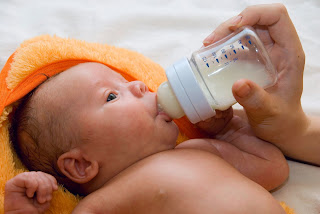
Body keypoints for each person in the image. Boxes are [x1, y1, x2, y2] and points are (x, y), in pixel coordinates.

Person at [4, 3, 302, 214]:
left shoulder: (200, 150)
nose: (139, 86)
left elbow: (273, 169)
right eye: (111, 96)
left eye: (125, 81)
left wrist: (229, 130)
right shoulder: (103, 203)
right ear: (81, 166)